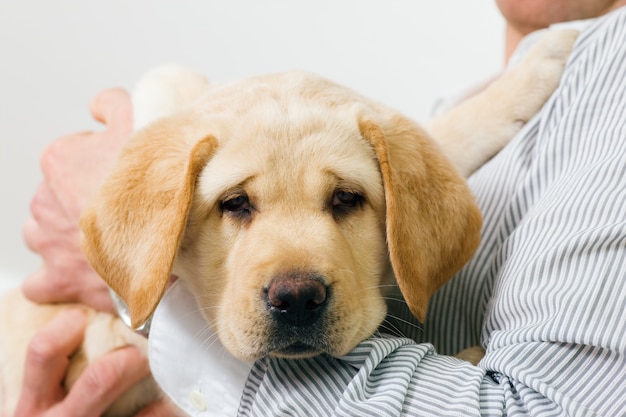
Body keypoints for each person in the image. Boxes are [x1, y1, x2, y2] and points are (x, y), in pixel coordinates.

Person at [16, 0, 626, 415]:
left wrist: (152, 305)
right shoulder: (427, 118)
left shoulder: (609, 73)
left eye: (344, 200)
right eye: (237, 203)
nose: (296, 284)